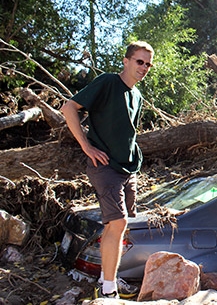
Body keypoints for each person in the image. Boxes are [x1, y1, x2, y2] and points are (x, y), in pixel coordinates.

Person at [61, 41, 154, 299]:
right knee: (117, 222)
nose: (144, 67)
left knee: (121, 227)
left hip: (128, 169)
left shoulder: (137, 96)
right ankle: (109, 291)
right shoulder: (108, 83)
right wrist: (87, 147)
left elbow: (129, 133)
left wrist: (135, 159)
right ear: (126, 61)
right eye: (139, 61)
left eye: (148, 64)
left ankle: (107, 276)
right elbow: (68, 108)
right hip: (105, 167)